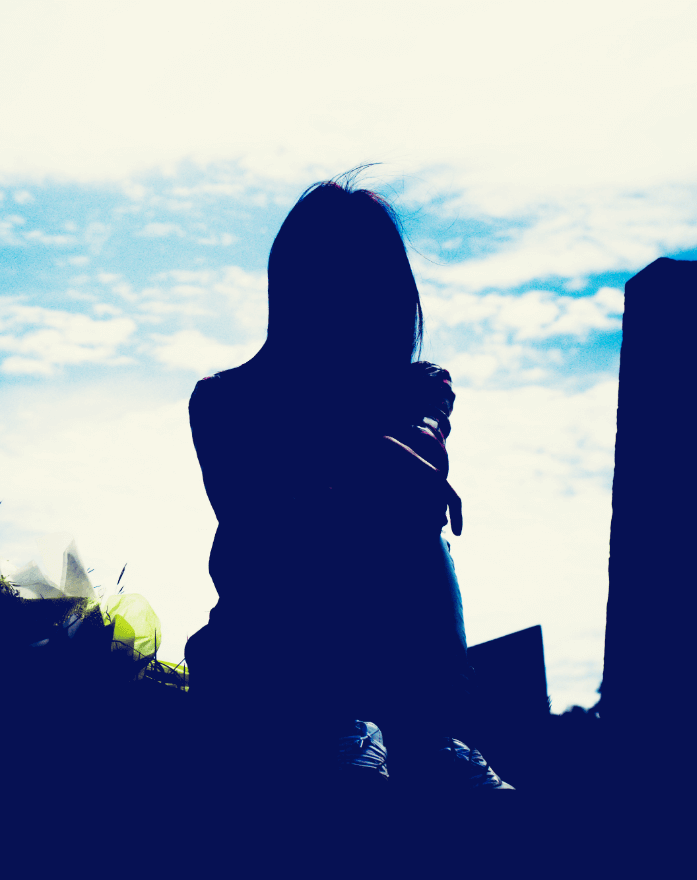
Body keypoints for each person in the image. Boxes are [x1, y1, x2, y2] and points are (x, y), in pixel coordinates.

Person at [184, 173, 512, 794]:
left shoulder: (419, 388)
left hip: (401, 674)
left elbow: (418, 446)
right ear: (303, 289)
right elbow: (269, 532)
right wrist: (376, 468)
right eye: (343, 282)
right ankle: (375, 729)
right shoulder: (226, 403)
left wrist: (383, 466)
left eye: (377, 286)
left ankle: (424, 733)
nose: (363, 305)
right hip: (266, 670)